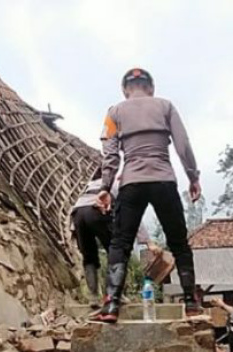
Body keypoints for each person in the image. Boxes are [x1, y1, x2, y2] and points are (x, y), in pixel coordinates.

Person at [94, 68, 202, 322]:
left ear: (124, 89)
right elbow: (182, 144)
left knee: (120, 243)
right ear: (151, 87)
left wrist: (106, 187)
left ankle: (111, 305)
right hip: (164, 179)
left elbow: (109, 155)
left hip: (131, 182)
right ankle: (191, 303)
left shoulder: (114, 112)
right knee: (179, 243)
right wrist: (193, 176)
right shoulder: (166, 106)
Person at [71, 170, 154, 307]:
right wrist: (148, 241)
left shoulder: (89, 185)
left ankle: (93, 297)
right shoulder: (116, 184)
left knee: (89, 257)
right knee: (116, 252)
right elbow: (132, 215)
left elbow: (77, 209)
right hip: (95, 211)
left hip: (78, 215)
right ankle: (116, 295)